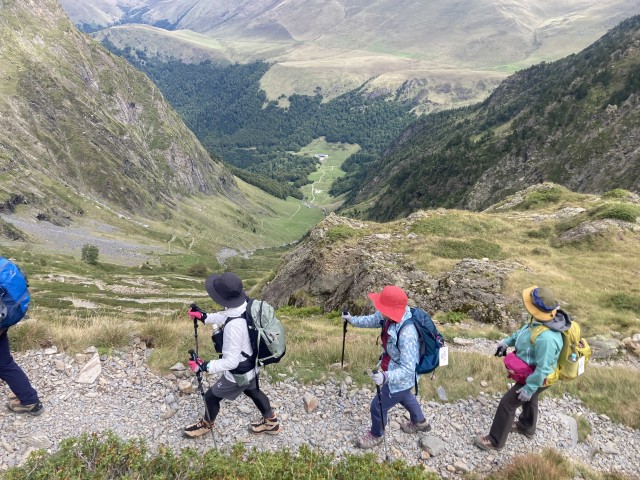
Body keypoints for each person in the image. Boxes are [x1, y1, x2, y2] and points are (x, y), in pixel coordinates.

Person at [183, 272, 280, 438]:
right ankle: (271, 422)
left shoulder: (234, 328)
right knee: (253, 391)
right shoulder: (246, 305)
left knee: (211, 397)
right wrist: (205, 317)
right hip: (252, 364)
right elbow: (227, 316)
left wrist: (204, 366)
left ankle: (206, 424)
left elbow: (232, 362)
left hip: (239, 373)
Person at [473, 286, 571, 451]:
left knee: (508, 403)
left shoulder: (547, 339)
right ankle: (526, 426)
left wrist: (530, 387)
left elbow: (543, 369)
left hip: (540, 377)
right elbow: (523, 333)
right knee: (530, 398)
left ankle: (495, 440)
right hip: (532, 372)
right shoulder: (540, 320)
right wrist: (507, 342)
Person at [342, 285, 431, 449]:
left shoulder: (407, 333)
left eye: (381, 307)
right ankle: (420, 422)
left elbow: (408, 369)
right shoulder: (388, 316)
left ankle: (377, 434)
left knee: (378, 405)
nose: (378, 309)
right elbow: (373, 320)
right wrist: (352, 319)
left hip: (402, 375)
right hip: (394, 368)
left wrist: (386, 377)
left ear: (390, 308)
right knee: (404, 395)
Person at [0, 324, 43, 416]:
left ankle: (29, 401)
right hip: (3, 319)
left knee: (3, 364)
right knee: (5, 364)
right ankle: (29, 399)